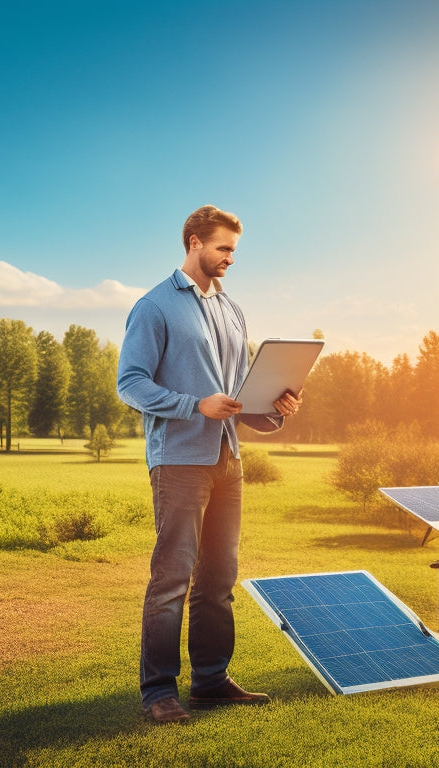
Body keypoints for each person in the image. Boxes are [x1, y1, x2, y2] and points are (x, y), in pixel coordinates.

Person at [117, 205, 302, 724]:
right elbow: (129, 383)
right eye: (222, 248)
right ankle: (158, 692)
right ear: (194, 242)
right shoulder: (154, 307)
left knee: (219, 578)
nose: (229, 259)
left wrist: (275, 409)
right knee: (172, 577)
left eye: (234, 251)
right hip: (179, 461)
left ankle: (211, 680)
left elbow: (241, 396)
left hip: (228, 459)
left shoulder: (232, 309)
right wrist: (192, 404)